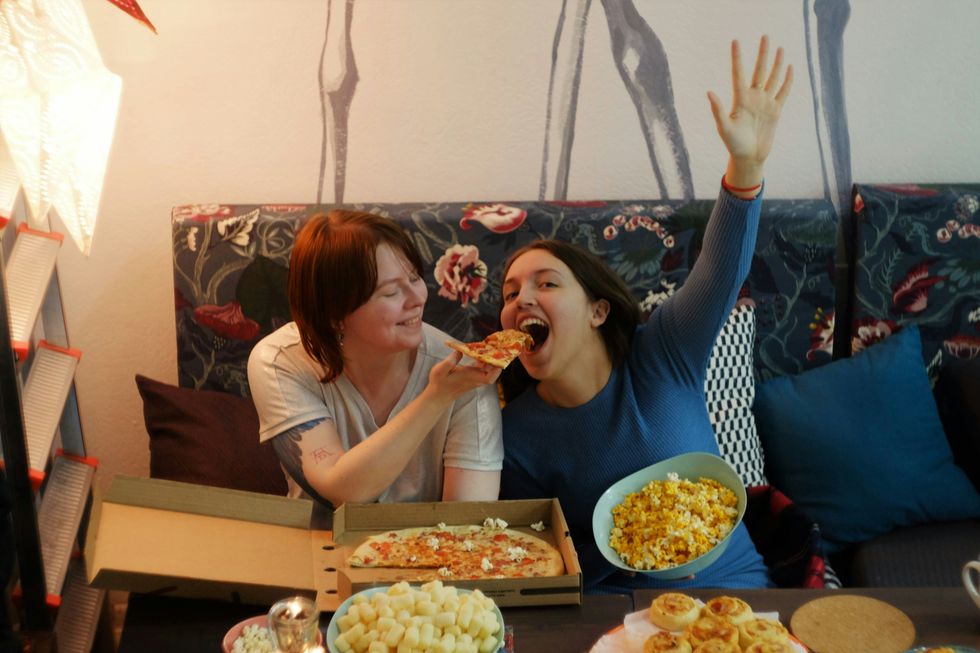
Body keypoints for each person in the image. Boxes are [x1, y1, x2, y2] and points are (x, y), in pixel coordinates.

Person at [497, 36, 793, 592]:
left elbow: (718, 271)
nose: (521, 300)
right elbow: (532, 562)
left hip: (735, 594)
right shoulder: (515, 434)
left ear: (597, 310)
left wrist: (745, 167)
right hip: (621, 617)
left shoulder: (663, 355)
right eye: (510, 293)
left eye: (546, 283)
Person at [247, 210, 503, 510]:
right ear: (334, 315)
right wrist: (436, 397)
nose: (417, 298)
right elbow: (339, 493)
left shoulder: (465, 372)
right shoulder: (281, 361)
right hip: (318, 545)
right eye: (391, 292)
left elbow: (468, 519)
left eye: (414, 278)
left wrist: (448, 392)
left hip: (433, 548)